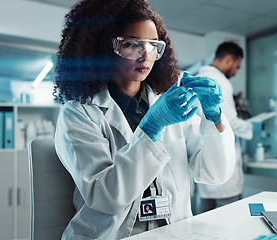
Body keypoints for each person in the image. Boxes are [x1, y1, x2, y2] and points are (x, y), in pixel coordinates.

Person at [53, 0, 236, 239]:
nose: (146, 55)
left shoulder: (170, 106)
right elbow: (105, 197)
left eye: (152, 46)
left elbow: (215, 175)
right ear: (103, 48)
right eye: (132, 44)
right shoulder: (79, 114)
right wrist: (152, 127)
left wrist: (213, 116)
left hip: (172, 232)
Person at [196, 41, 259, 213]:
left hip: (205, 168)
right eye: (237, 66)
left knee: (204, 222)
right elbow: (228, 120)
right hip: (222, 167)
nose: (236, 72)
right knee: (229, 221)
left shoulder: (199, 78)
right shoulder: (220, 81)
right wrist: (251, 127)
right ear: (230, 59)